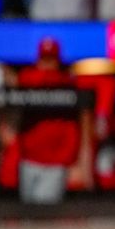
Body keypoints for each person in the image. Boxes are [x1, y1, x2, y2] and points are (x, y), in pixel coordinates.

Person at [16, 38, 80, 204]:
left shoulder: (66, 83)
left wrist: (70, 160)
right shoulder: (28, 78)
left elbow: (74, 128)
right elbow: (27, 80)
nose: (47, 64)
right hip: (29, 160)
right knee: (27, 213)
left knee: (46, 210)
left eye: (51, 59)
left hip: (55, 163)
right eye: (44, 59)